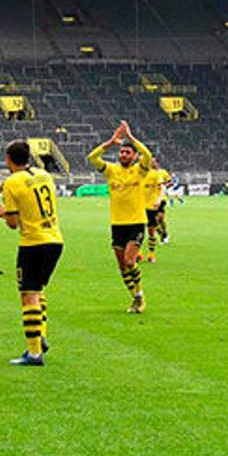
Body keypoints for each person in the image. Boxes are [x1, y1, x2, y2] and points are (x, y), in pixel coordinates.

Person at [0, 140, 64, 367]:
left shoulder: (11, 182)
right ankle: (39, 334)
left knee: (29, 294)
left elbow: (13, 223)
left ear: (8, 159)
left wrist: (3, 214)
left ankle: (34, 354)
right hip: (55, 239)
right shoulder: (44, 175)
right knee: (38, 291)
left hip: (33, 242)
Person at [87, 121, 152, 314]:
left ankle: (139, 297)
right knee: (122, 266)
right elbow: (92, 157)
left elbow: (147, 155)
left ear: (134, 156)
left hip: (136, 222)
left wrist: (131, 138)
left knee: (130, 261)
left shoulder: (140, 170)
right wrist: (110, 143)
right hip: (117, 224)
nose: (123, 155)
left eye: (127, 152)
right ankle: (136, 296)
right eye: (122, 152)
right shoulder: (111, 171)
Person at [141, 157, 170, 263]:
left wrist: (159, 199)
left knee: (153, 228)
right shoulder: (136, 173)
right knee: (138, 232)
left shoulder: (156, 174)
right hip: (139, 207)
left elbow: (164, 186)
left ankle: (151, 254)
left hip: (153, 205)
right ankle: (138, 254)